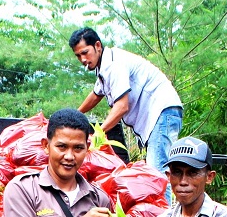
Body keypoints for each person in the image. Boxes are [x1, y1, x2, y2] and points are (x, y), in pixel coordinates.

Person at [70, 26, 183, 201]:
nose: (83, 59)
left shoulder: (114, 64)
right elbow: (95, 95)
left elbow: (121, 107)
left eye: (85, 52)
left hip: (163, 112)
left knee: (157, 173)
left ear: (97, 46)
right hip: (155, 118)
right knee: (154, 173)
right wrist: (72, 116)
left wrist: (98, 134)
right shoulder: (103, 69)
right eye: (78, 56)